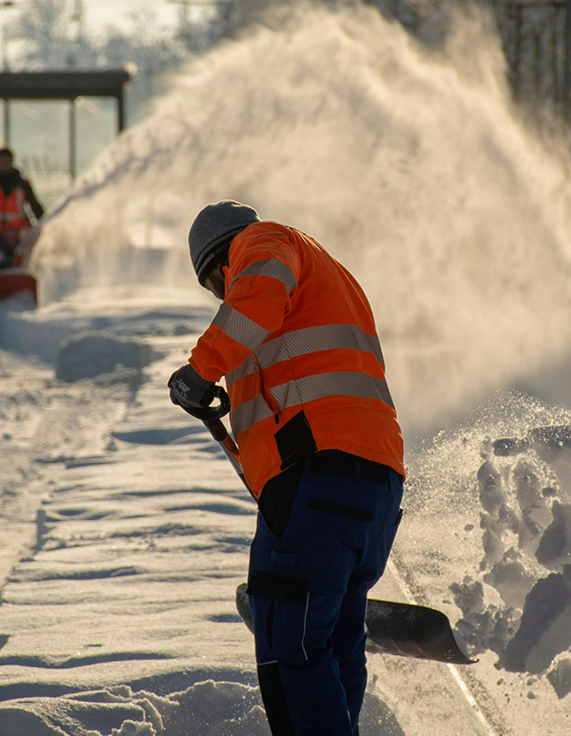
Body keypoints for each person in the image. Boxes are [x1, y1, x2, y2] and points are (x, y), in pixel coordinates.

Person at [168, 200, 404, 736]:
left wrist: (199, 372)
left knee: (290, 645)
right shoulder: (332, 276)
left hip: (317, 478)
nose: (220, 299)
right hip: (373, 488)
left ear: (218, 261)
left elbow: (254, 298)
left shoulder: (266, 243)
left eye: (214, 286)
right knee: (334, 646)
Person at [0, 147, 45, 268]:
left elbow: (35, 206)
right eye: (2, 162)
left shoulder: (22, 184)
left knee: (22, 261)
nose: (5, 165)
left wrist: (43, 223)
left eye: (7, 162)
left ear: (12, 162)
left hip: (18, 234)